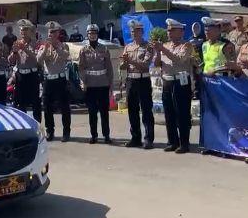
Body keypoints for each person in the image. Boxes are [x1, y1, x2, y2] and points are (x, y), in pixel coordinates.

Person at [153, 18, 198, 154]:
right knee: (169, 113)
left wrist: (163, 50)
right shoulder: (165, 45)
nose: (169, 33)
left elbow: (179, 60)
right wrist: (159, 52)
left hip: (181, 81)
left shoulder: (187, 46)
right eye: (168, 31)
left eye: (172, 30)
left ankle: (184, 143)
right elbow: (157, 64)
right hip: (167, 81)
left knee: (182, 113)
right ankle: (172, 141)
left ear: (181, 32)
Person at [120, 19, 155, 149]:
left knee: (146, 110)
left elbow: (145, 65)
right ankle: (135, 138)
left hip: (143, 79)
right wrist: (124, 63)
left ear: (142, 32)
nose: (134, 33)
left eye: (137, 31)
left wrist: (130, 61)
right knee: (132, 110)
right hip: (131, 80)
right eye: (132, 31)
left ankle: (148, 139)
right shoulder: (128, 47)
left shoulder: (148, 47)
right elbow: (123, 66)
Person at [79, 24, 114, 144]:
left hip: (103, 84)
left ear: (97, 35)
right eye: (90, 33)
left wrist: (111, 85)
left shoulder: (104, 49)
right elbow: (81, 68)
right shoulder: (83, 50)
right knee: (92, 112)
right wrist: (83, 82)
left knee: (104, 112)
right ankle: (94, 135)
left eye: (94, 33)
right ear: (87, 35)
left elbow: (109, 68)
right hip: (91, 85)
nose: (92, 35)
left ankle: (106, 135)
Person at [38, 21, 72, 142]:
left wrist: (56, 47)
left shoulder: (63, 46)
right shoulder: (43, 46)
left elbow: (66, 56)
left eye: (53, 32)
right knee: (47, 107)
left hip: (60, 79)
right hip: (48, 80)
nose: (51, 34)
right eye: (49, 32)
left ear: (58, 33)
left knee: (64, 107)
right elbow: (39, 60)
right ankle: (50, 131)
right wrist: (46, 48)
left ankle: (66, 132)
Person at [9, 19, 43, 123]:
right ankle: (22, 125)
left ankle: (38, 127)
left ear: (30, 31)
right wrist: (14, 53)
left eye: (25, 30)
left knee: (35, 103)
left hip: (32, 75)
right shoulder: (17, 43)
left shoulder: (36, 43)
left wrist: (25, 49)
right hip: (20, 76)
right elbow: (10, 61)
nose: (23, 32)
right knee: (19, 102)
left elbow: (37, 59)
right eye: (21, 30)